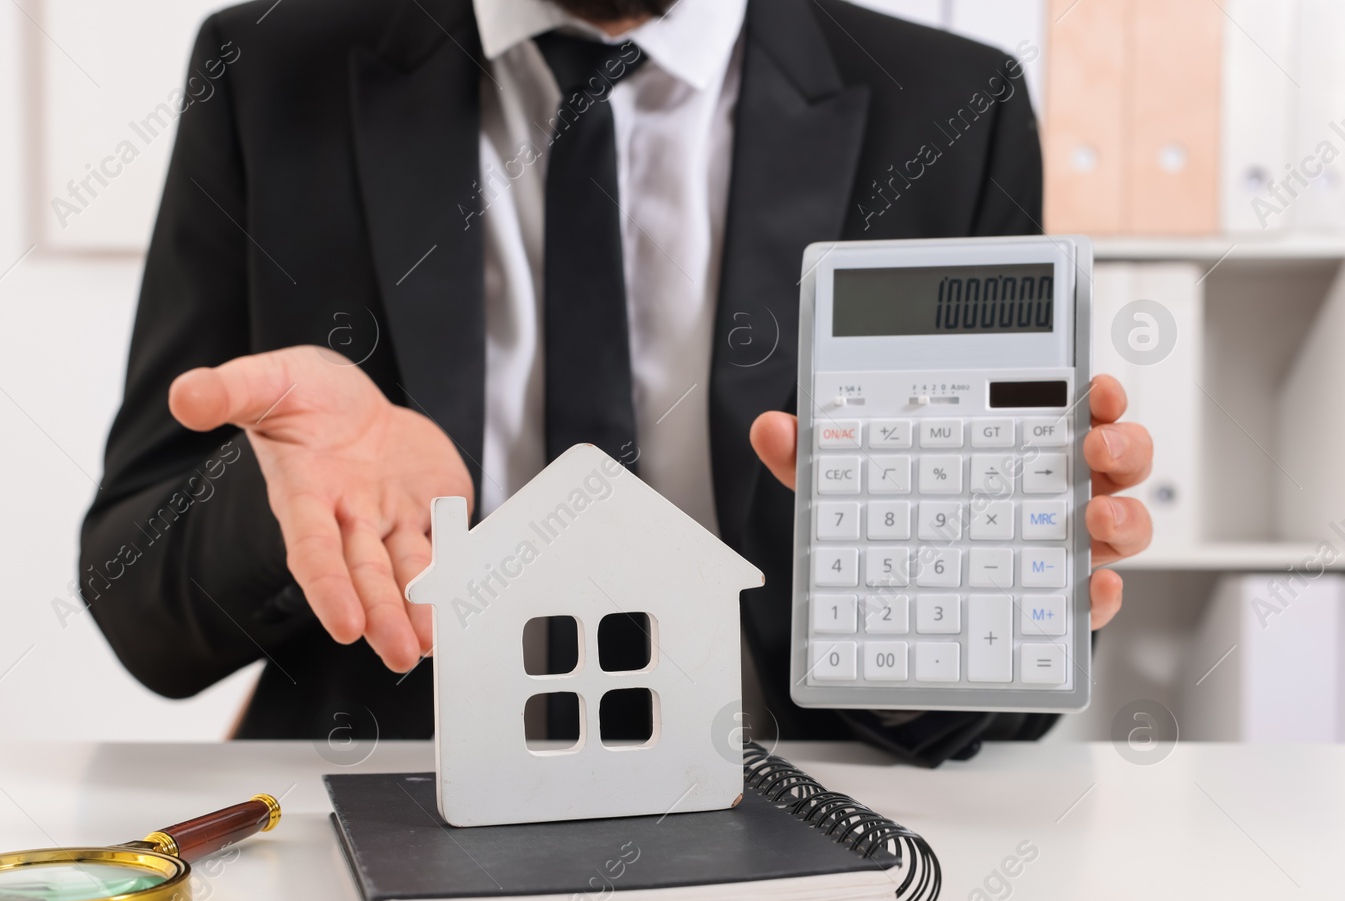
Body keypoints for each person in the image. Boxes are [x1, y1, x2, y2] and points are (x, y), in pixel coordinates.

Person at [81, 0, 1155, 766]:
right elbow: (140, 610)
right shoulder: (268, 71)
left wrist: (989, 608)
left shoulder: (951, 108)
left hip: (792, 823)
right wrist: (289, 506)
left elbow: (980, 722)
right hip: (398, 810)